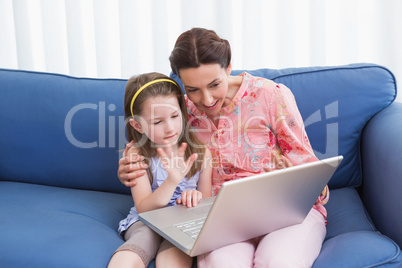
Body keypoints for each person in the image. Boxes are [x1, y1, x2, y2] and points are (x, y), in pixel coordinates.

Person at [118, 28, 329, 268]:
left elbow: (310, 167)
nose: (206, 100)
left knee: (279, 262)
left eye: (214, 84)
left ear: (228, 67)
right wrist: (130, 166)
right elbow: (150, 144)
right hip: (222, 218)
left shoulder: (271, 96)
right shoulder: (179, 112)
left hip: (285, 211)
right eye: (193, 89)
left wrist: (305, 180)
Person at [108, 72, 212, 268]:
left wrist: (194, 196)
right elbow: (144, 209)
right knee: (142, 240)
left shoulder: (201, 152)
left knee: (177, 248)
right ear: (137, 125)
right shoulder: (137, 154)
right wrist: (172, 181)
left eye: (175, 116)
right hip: (147, 221)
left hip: (183, 220)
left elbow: (206, 204)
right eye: (157, 122)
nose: (170, 127)